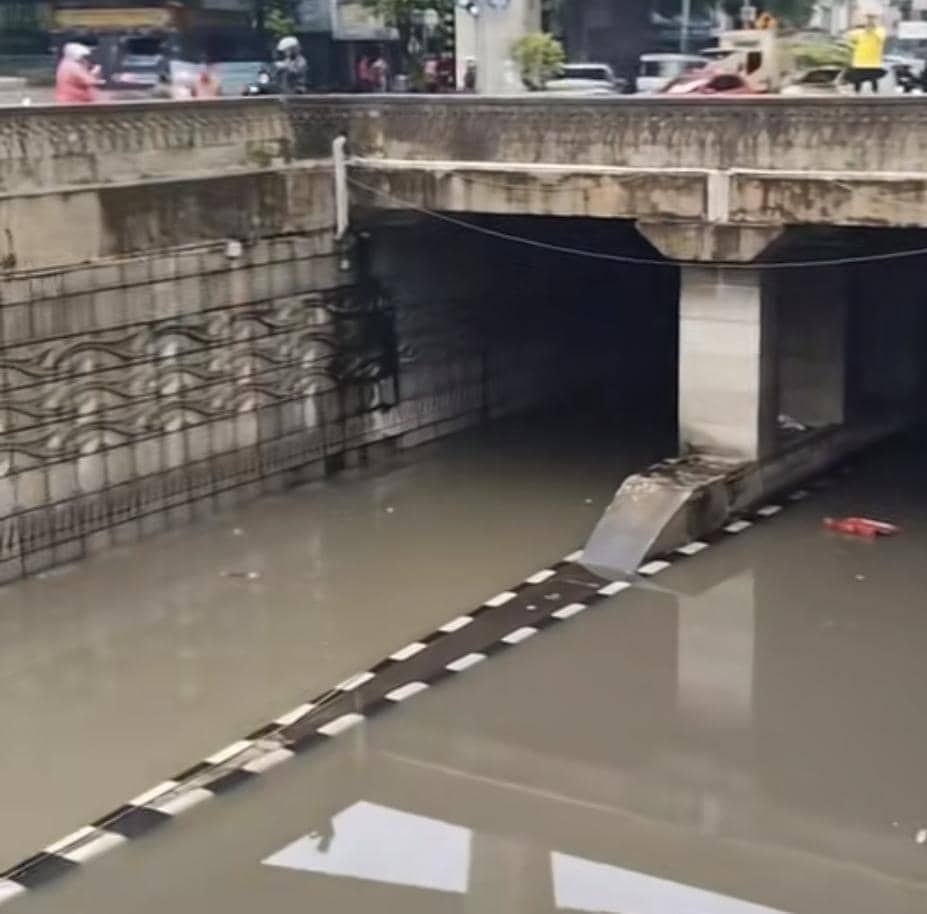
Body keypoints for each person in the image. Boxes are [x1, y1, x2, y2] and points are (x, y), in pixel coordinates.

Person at [847, 14, 887, 94]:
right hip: (859, 63)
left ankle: (875, 95)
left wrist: (871, 28)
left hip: (873, 63)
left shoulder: (880, 31)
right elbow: (849, 37)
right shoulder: (859, 32)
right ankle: (856, 95)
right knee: (857, 82)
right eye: (869, 19)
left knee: (874, 82)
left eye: (873, 19)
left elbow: (880, 37)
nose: (870, 21)